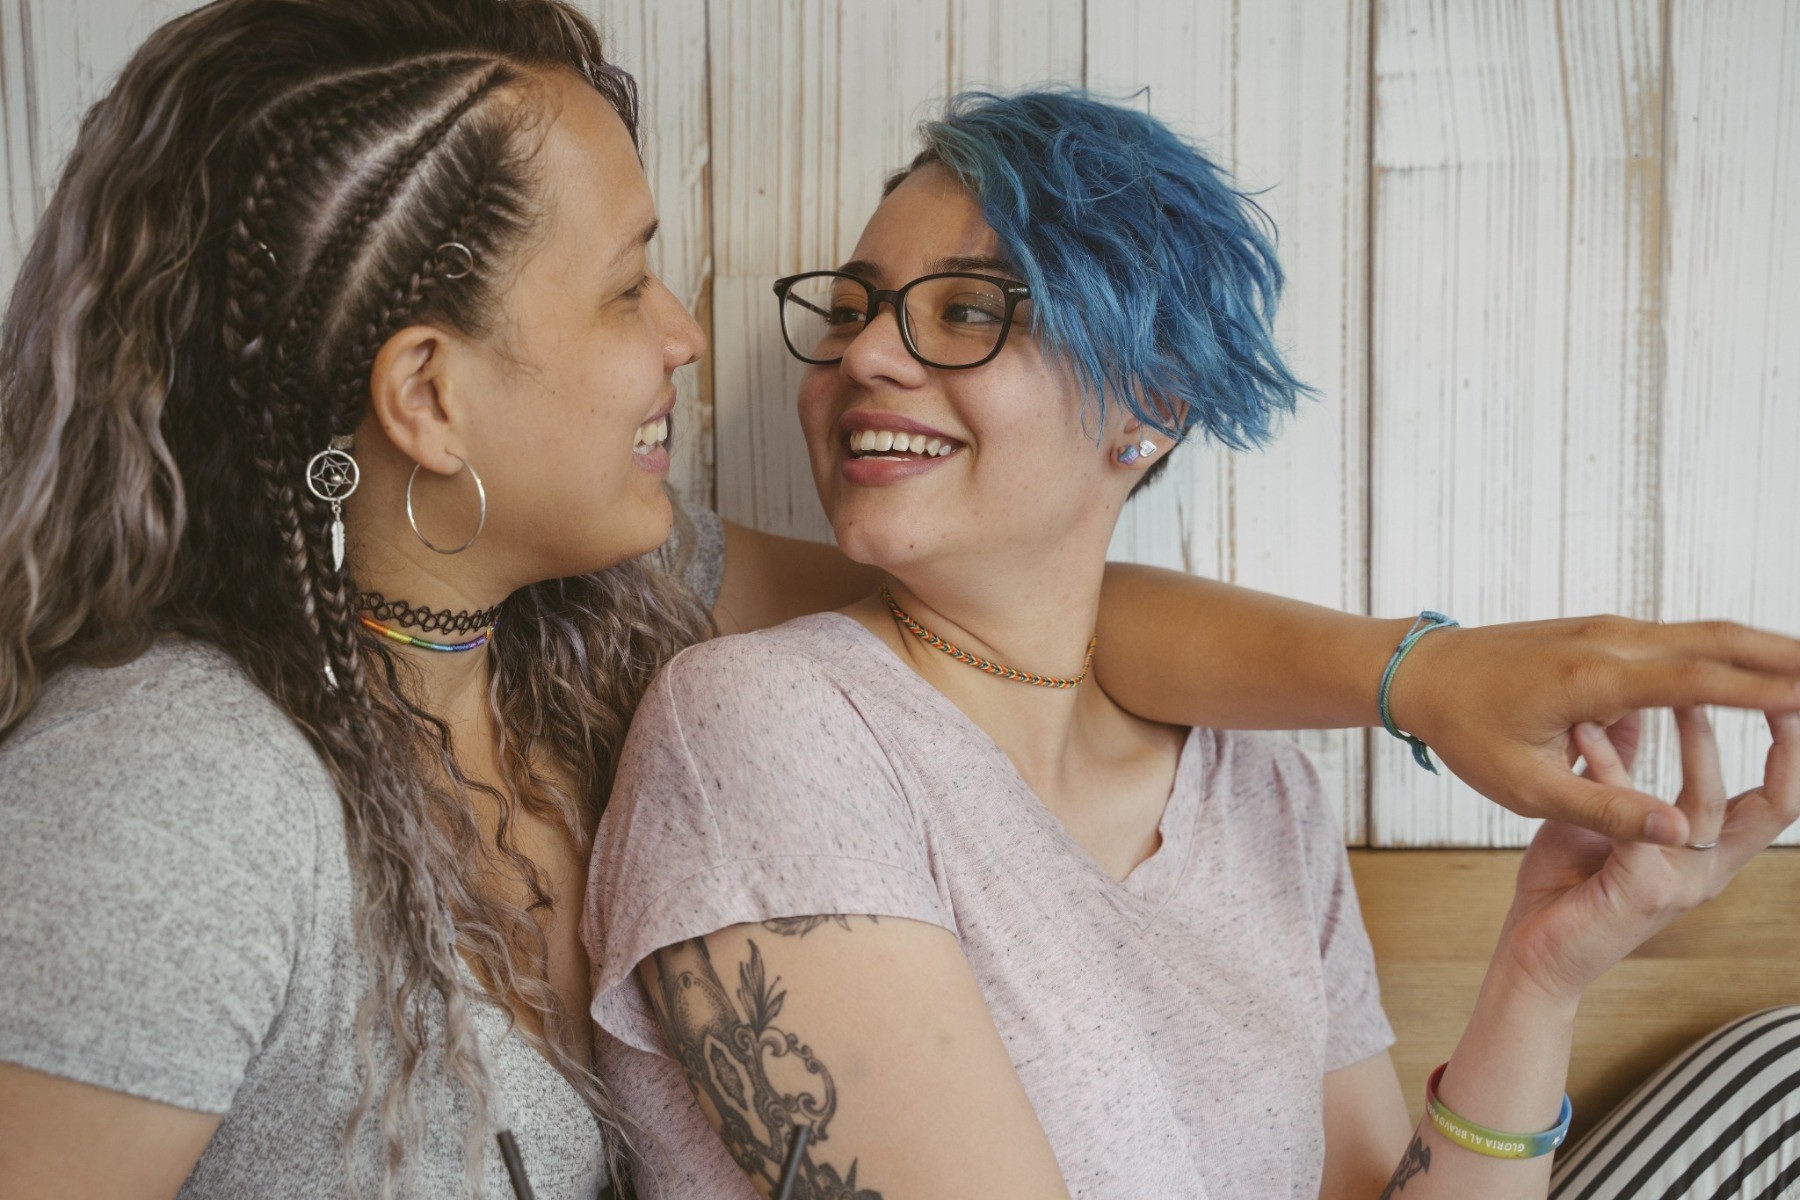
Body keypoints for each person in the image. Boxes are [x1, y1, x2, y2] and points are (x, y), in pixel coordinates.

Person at [1, 2, 1796, 1196]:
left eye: (963, 313)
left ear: (1150, 409)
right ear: (427, 397)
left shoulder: (586, 631)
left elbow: (1059, 640)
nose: (707, 339)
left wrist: (1481, 819)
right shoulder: (188, 789)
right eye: (634, 286)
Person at [582, 89, 1800, 1199]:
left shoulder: (1254, 790)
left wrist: (1541, 977)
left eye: (964, 310)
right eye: (850, 313)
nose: (863, 356)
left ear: (1151, 408)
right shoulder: (761, 724)